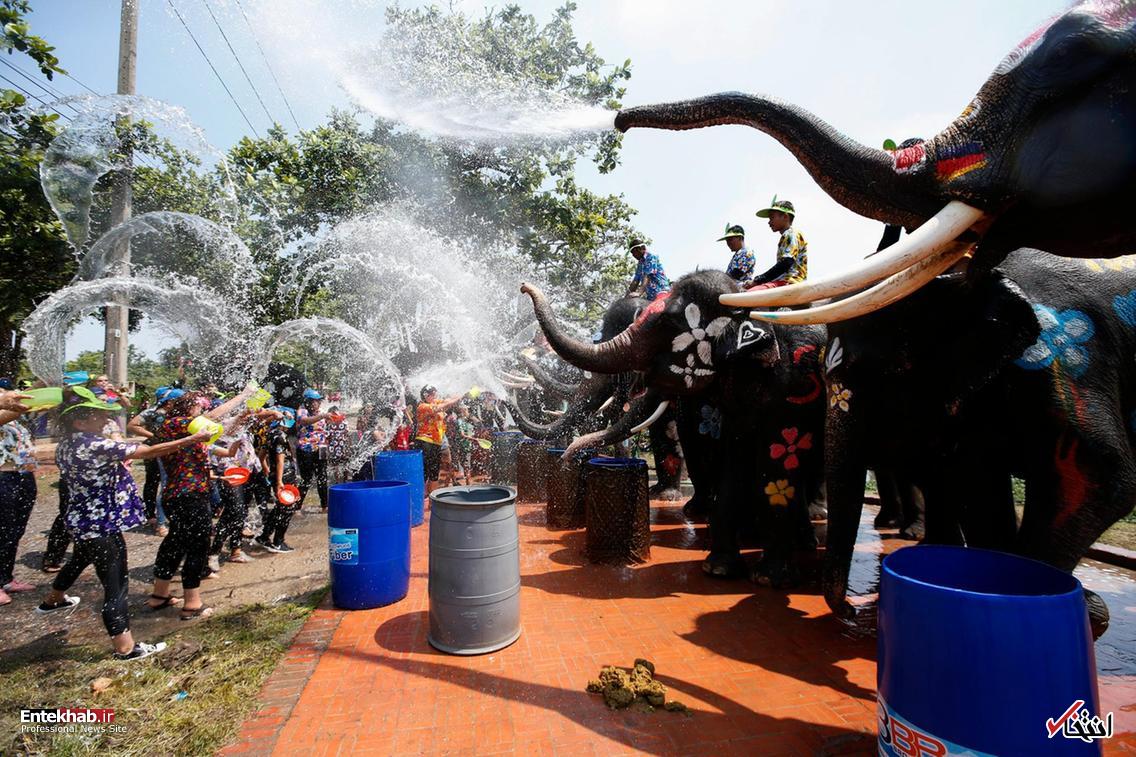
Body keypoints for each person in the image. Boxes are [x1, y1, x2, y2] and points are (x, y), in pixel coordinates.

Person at [37, 388, 213, 659]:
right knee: (116, 585)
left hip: (79, 520)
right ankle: (126, 648)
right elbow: (148, 451)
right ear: (79, 421)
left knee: (78, 559)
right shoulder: (95, 444)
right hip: (101, 526)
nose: (105, 420)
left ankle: (53, 599)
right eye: (98, 415)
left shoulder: (65, 445)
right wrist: (193, 439)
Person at [148, 385, 255, 620]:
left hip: (179, 496)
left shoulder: (183, 433)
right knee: (197, 545)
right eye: (200, 406)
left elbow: (217, 442)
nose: (203, 410)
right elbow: (212, 417)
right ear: (187, 407)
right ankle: (192, 603)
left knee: (174, 543)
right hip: (189, 496)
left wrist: (233, 444)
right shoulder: (177, 424)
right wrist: (244, 395)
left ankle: (160, 595)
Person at [126, 386, 183, 536]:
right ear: (169, 401)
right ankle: (155, 518)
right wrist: (153, 435)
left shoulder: (179, 412)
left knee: (168, 483)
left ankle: (165, 517)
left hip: (171, 450)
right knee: (154, 482)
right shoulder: (152, 411)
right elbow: (132, 425)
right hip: (154, 450)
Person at [0, 389, 36, 605]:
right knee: (1, 529)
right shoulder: (7, 413)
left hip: (23, 473)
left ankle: (6, 578)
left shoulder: (16, 416)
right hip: (3, 475)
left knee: (15, 529)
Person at [254, 407, 299, 553]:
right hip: (284, 476)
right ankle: (278, 542)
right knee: (287, 509)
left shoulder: (270, 434)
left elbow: (261, 456)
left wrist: (267, 470)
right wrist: (279, 481)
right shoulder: (280, 436)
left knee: (279, 508)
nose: (291, 420)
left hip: (277, 475)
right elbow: (280, 461)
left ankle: (264, 536)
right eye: (290, 417)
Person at [414, 386, 465, 496]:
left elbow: (448, 401)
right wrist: (454, 400)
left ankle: (432, 499)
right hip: (425, 441)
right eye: (432, 394)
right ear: (425, 395)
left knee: (434, 473)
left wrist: (462, 393)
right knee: (424, 472)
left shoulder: (434, 402)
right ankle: (420, 498)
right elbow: (442, 406)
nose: (434, 396)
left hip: (436, 442)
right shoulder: (423, 406)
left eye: (435, 394)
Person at [751, 196, 808, 288]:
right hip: (784, 281)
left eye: (772, 218)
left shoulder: (791, 234)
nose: (769, 222)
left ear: (785, 217)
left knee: (751, 295)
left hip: (790, 281)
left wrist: (759, 279)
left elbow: (786, 263)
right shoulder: (787, 235)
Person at [295, 389, 330, 513]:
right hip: (305, 450)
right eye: (315, 401)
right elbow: (304, 421)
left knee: (323, 477)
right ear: (308, 402)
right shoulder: (302, 411)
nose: (317, 404)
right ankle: (297, 506)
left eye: (318, 401)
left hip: (321, 449)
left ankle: (325, 506)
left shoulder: (321, 413)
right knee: (306, 478)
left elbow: (325, 429)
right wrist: (322, 416)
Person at [325, 406, 352, 486]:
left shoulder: (328, 422)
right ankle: (345, 480)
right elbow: (348, 434)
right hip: (344, 445)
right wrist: (349, 446)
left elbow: (327, 436)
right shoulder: (344, 421)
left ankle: (337, 481)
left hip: (334, 447)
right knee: (345, 463)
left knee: (335, 464)